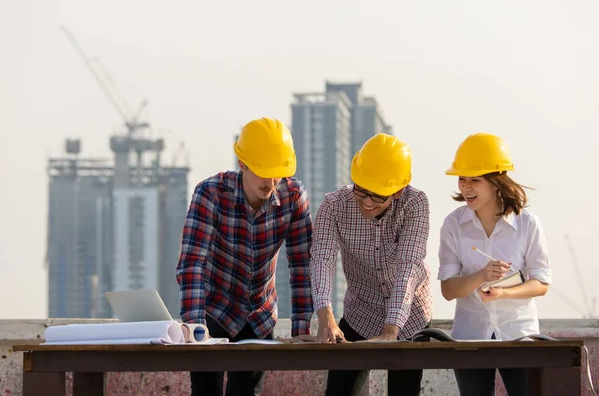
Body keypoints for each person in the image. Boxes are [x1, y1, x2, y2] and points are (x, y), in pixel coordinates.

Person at [175, 117, 314, 396]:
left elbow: (302, 264)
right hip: (214, 313)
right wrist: (194, 326)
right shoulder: (210, 194)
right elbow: (192, 264)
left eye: (277, 172)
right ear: (243, 165)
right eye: (263, 172)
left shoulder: (293, 196)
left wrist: (302, 326)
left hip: (259, 316)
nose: (271, 182)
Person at [310, 133, 433, 396]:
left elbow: (408, 266)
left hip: (410, 318)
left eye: (377, 196)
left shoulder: (416, 204)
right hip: (360, 312)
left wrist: (392, 329)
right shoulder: (334, 206)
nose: (367, 202)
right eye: (361, 191)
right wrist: (325, 316)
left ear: (398, 191)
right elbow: (322, 257)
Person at [438, 133, 552, 396]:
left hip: (519, 334)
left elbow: (542, 283)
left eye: (475, 180)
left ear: (496, 182)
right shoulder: (452, 225)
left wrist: (504, 293)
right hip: (469, 337)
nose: (465, 187)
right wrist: (480, 276)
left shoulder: (527, 224)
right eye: (462, 179)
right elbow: (448, 290)